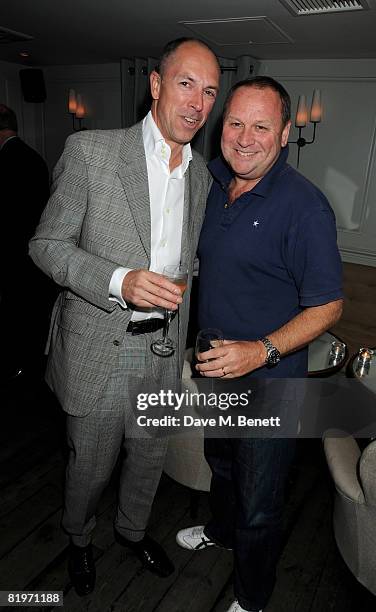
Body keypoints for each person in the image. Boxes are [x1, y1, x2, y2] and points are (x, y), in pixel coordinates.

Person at [29, 38, 220, 596]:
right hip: (100, 343)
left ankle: (133, 531)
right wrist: (119, 281)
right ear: (156, 85)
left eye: (210, 91)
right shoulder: (92, 153)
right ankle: (80, 539)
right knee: (89, 464)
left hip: (166, 347)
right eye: (186, 84)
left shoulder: (203, 175)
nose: (197, 103)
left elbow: (191, 259)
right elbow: (45, 245)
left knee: (149, 458)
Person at [176, 77, 343, 612]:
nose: (245, 138)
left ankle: (252, 596)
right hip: (216, 371)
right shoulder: (214, 182)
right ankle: (221, 533)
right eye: (235, 123)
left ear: (286, 132)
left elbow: (329, 307)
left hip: (269, 386)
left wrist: (260, 351)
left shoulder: (305, 209)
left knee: (260, 503)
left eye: (261, 126)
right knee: (222, 465)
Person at [0, 104, 53, 381]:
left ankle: (17, 365)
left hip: (13, 252)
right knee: (31, 311)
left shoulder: (6, 160)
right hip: (36, 250)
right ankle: (32, 362)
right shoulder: (33, 157)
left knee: (15, 311)